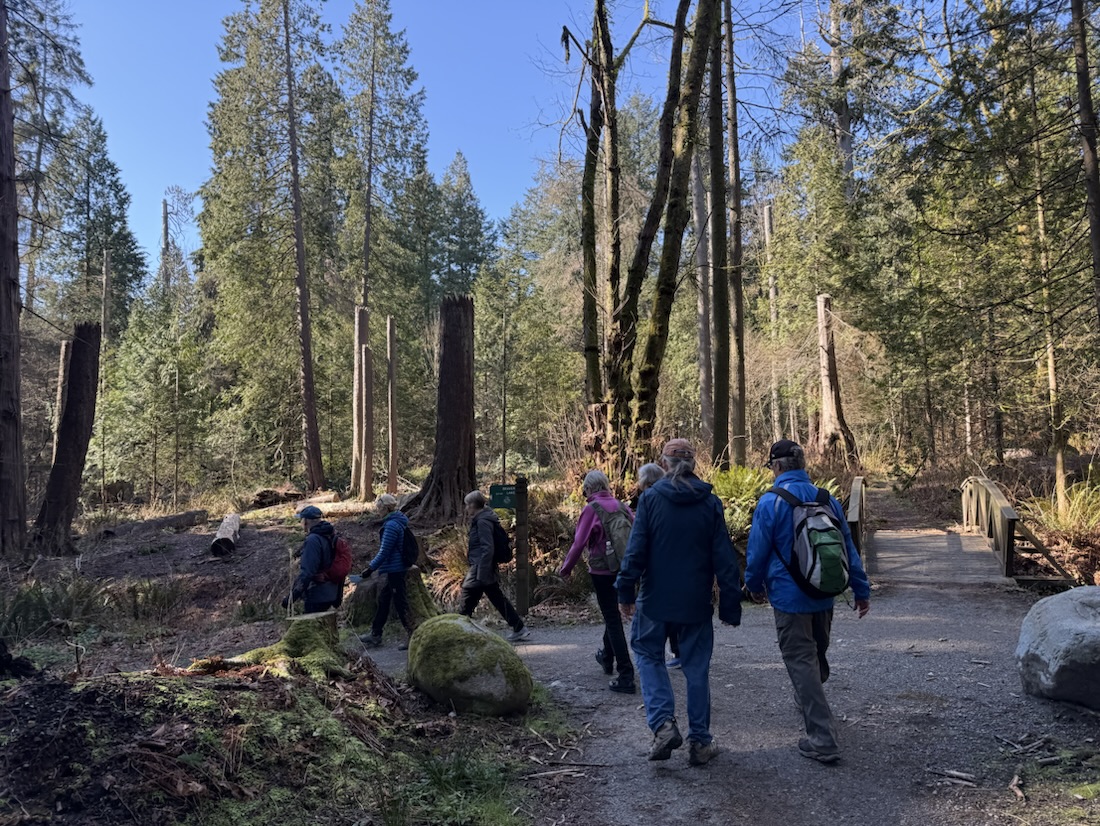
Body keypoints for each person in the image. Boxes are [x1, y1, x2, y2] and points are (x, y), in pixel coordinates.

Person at [616, 438, 742, 766]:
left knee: (647, 653)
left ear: (665, 464)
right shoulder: (710, 502)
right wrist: (730, 603)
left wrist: (625, 590)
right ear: (694, 464)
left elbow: (636, 550)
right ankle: (700, 742)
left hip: (655, 599)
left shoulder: (651, 499)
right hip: (696, 603)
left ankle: (662, 725)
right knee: (696, 667)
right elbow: (724, 558)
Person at [745, 439, 871, 764]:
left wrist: (753, 586)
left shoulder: (770, 503)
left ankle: (822, 738)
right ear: (802, 465)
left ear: (776, 467)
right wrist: (861, 590)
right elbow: (847, 548)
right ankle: (810, 695)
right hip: (824, 592)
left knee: (801, 661)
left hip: (789, 598)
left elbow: (757, 552)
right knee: (815, 655)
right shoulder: (827, 500)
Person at [559, 470, 636, 694]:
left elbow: (578, 543)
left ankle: (626, 675)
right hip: (624, 570)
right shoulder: (622, 506)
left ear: (590, 489)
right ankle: (607, 656)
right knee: (612, 614)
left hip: (602, 571)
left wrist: (566, 569)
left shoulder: (591, 509)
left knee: (612, 618)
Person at [459, 490, 531, 642]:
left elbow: (487, 547)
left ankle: (458, 631)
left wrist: (482, 571)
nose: (466, 509)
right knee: (495, 598)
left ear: (473, 505)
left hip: (481, 567)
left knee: (467, 596)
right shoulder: (484, 518)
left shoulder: (483, 521)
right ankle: (518, 627)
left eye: (467, 505)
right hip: (483, 567)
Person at [359, 494, 416, 650]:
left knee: (400, 603)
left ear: (384, 508)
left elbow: (385, 551)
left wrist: (370, 569)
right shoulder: (397, 521)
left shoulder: (391, 525)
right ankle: (376, 634)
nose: (377, 510)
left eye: (378, 507)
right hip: (394, 569)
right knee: (384, 601)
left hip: (395, 569)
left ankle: (413, 636)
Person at [637, 462, 680, 669]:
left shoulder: (650, 500)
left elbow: (640, 543)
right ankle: (677, 652)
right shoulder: (674, 496)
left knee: (657, 621)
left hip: (658, 572)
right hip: (678, 569)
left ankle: (663, 655)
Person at [284, 505, 341, 613]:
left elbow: (307, 572)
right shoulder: (329, 534)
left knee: (313, 627)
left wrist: (292, 597)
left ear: (306, 522)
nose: (300, 523)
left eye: (301, 520)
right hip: (331, 591)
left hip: (317, 594)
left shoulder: (313, 540)